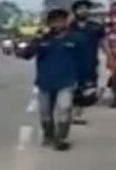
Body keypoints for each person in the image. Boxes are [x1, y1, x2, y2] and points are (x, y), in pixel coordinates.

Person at [18, 8, 84, 150]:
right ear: (49, 23)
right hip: (45, 83)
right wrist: (36, 38)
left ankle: (61, 138)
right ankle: (48, 135)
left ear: (66, 22)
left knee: (64, 109)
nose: (57, 23)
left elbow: (84, 60)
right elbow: (26, 55)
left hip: (66, 82)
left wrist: (84, 81)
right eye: (54, 20)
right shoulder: (43, 40)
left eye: (61, 20)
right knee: (45, 114)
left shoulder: (75, 39)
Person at [69, 0, 106, 123]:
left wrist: (111, 59)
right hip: (71, 65)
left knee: (88, 93)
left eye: (86, 8)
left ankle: (76, 111)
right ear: (75, 11)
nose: (83, 10)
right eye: (80, 8)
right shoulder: (69, 27)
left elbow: (104, 44)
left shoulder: (96, 27)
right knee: (70, 90)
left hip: (90, 64)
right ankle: (70, 115)